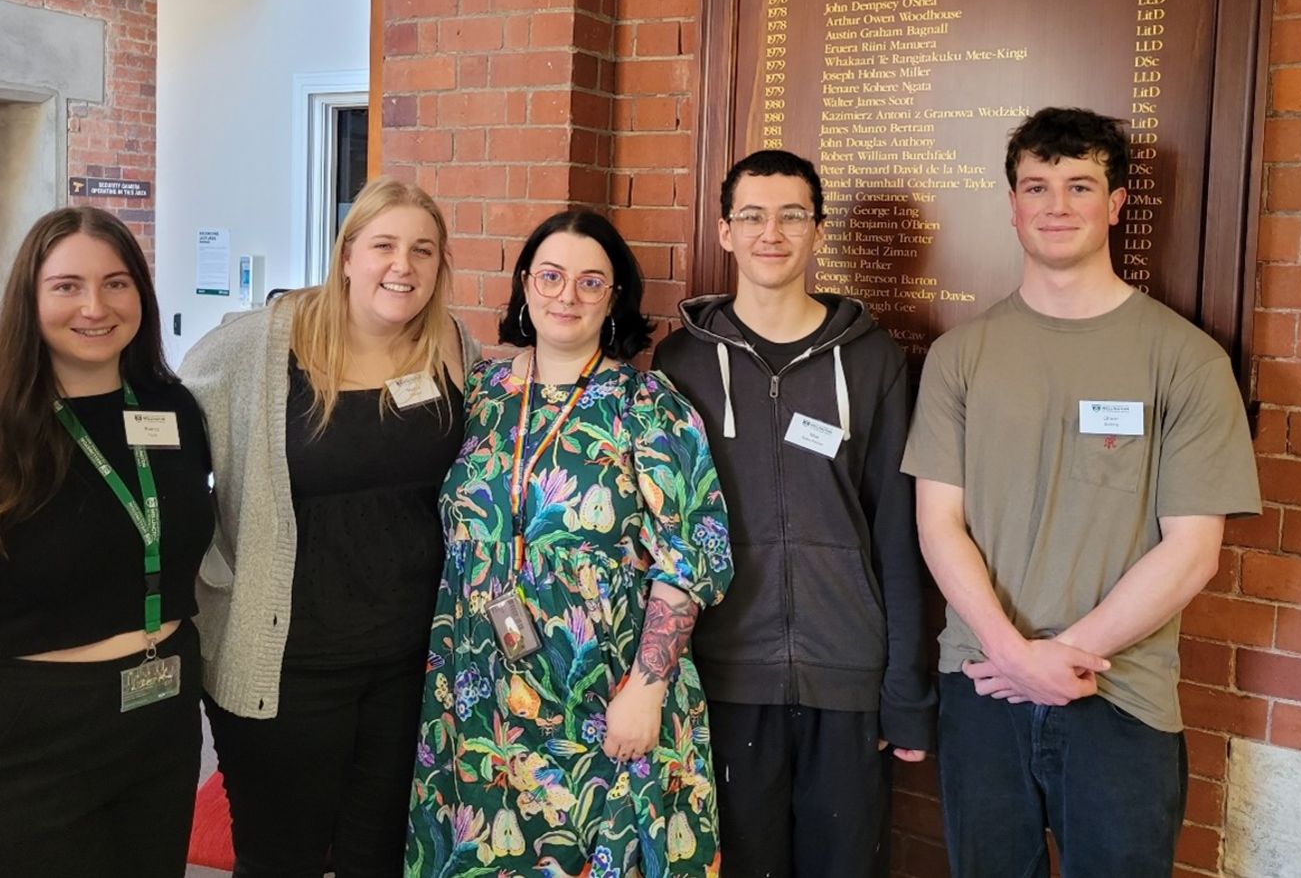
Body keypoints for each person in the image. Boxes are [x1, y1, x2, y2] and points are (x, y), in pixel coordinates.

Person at [902, 107, 1261, 877]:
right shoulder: (959, 357)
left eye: (1079, 185)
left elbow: (1193, 551)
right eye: (1037, 186)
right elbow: (939, 525)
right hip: (981, 683)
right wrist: (1011, 652)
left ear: (1117, 203)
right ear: (1011, 204)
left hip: (1119, 694)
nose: (1056, 206)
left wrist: (1064, 655)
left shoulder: (1186, 361)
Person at [0, 207, 213, 878]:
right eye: (66, 286)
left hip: (159, 727)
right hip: (27, 743)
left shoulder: (173, 413)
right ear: (30, 301)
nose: (95, 306)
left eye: (117, 283)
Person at [405, 210, 733, 877]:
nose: (567, 295)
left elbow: (692, 550)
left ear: (614, 299)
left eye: (591, 283)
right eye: (551, 276)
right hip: (479, 697)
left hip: (603, 694)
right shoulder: (479, 393)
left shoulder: (646, 402)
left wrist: (646, 688)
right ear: (526, 284)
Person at [179, 177, 477, 877]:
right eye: (383, 246)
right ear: (347, 254)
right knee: (282, 857)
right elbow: (162, 458)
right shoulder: (253, 348)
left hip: (408, 662)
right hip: (286, 666)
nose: (402, 266)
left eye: (422, 251)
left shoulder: (452, 347)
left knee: (378, 855)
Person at [652, 149, 934, 877]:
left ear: (816, 231)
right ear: (724, 231)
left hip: (846, 677)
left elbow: (898, 535)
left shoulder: (872, 361)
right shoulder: (679, 363)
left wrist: (905, 691)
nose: (769, 232)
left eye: (790, 216)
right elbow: (657, 534)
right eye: (751, 215)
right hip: (719, 676)